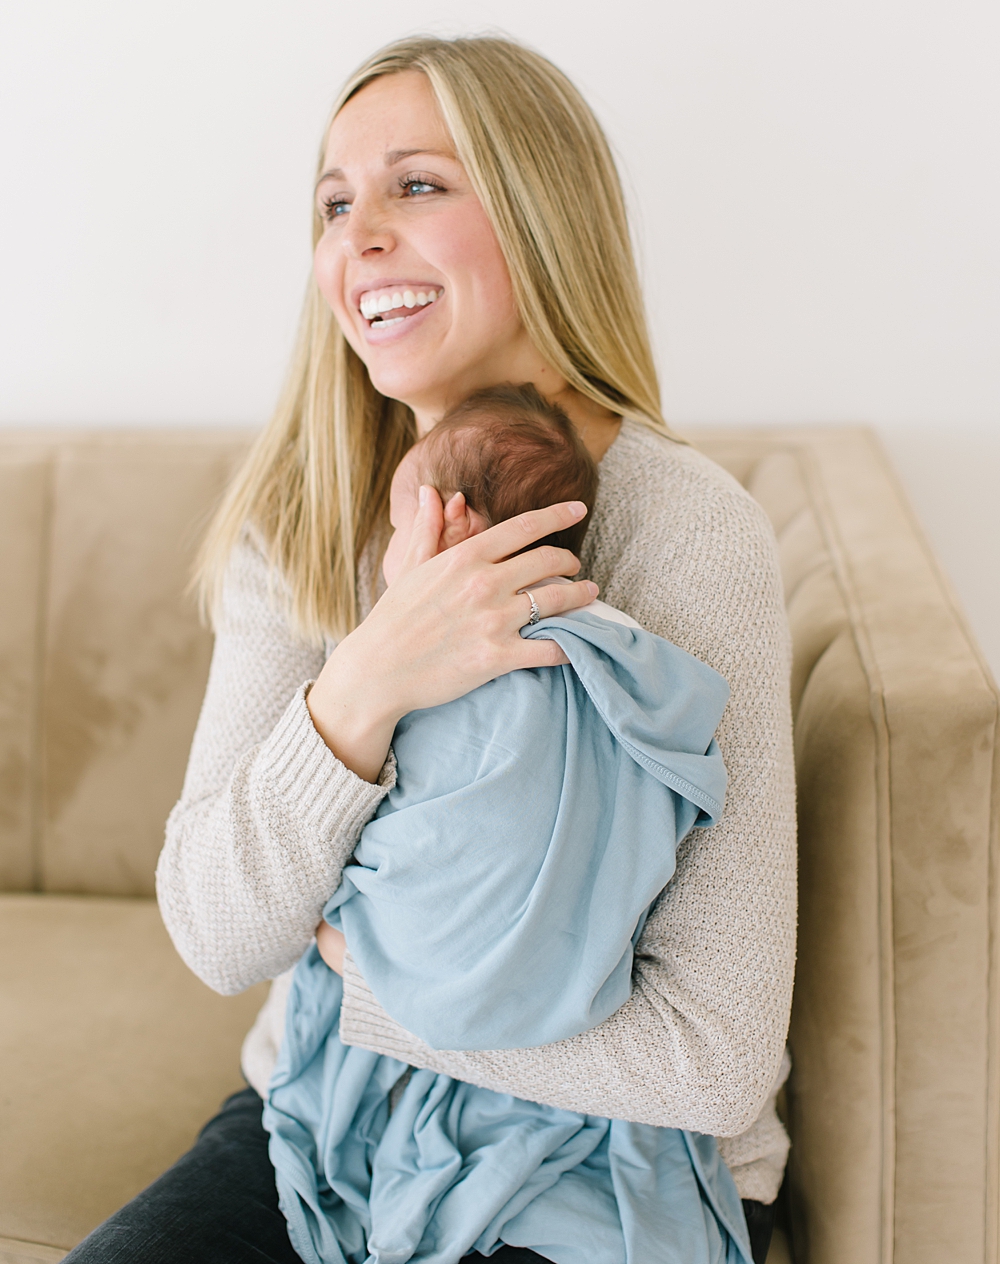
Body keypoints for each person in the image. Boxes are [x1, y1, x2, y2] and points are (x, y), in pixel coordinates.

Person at [64, 35, 795, 1264]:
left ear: (537, 213)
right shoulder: (297, 525)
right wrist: (370, 675)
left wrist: (370, 988)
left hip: (610, 1165)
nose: (358, 239)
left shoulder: (688, 534)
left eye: (415, 185)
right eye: (334, 203)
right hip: (323, 1126)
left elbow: (714, 1062)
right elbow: (217, 932)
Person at [265, 381, 748, 1262]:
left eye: (394, 527)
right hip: (579, 992)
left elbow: (385, 845)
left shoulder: (697, 529)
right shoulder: (628, 663)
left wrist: (345, 952)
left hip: (423, 1002)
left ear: (442, 524)